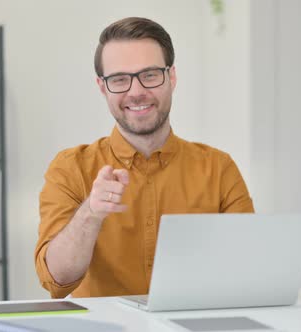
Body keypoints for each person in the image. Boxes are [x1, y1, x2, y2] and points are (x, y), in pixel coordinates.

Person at [35, 17, 254, 298]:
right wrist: (90, 213)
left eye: (150, 75)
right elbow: (55, 279)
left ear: (171, 77)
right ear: (102, 87)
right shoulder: (69, 169)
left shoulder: (219, 168)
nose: (136, 92)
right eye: (120, 79)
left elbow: (248, 271)